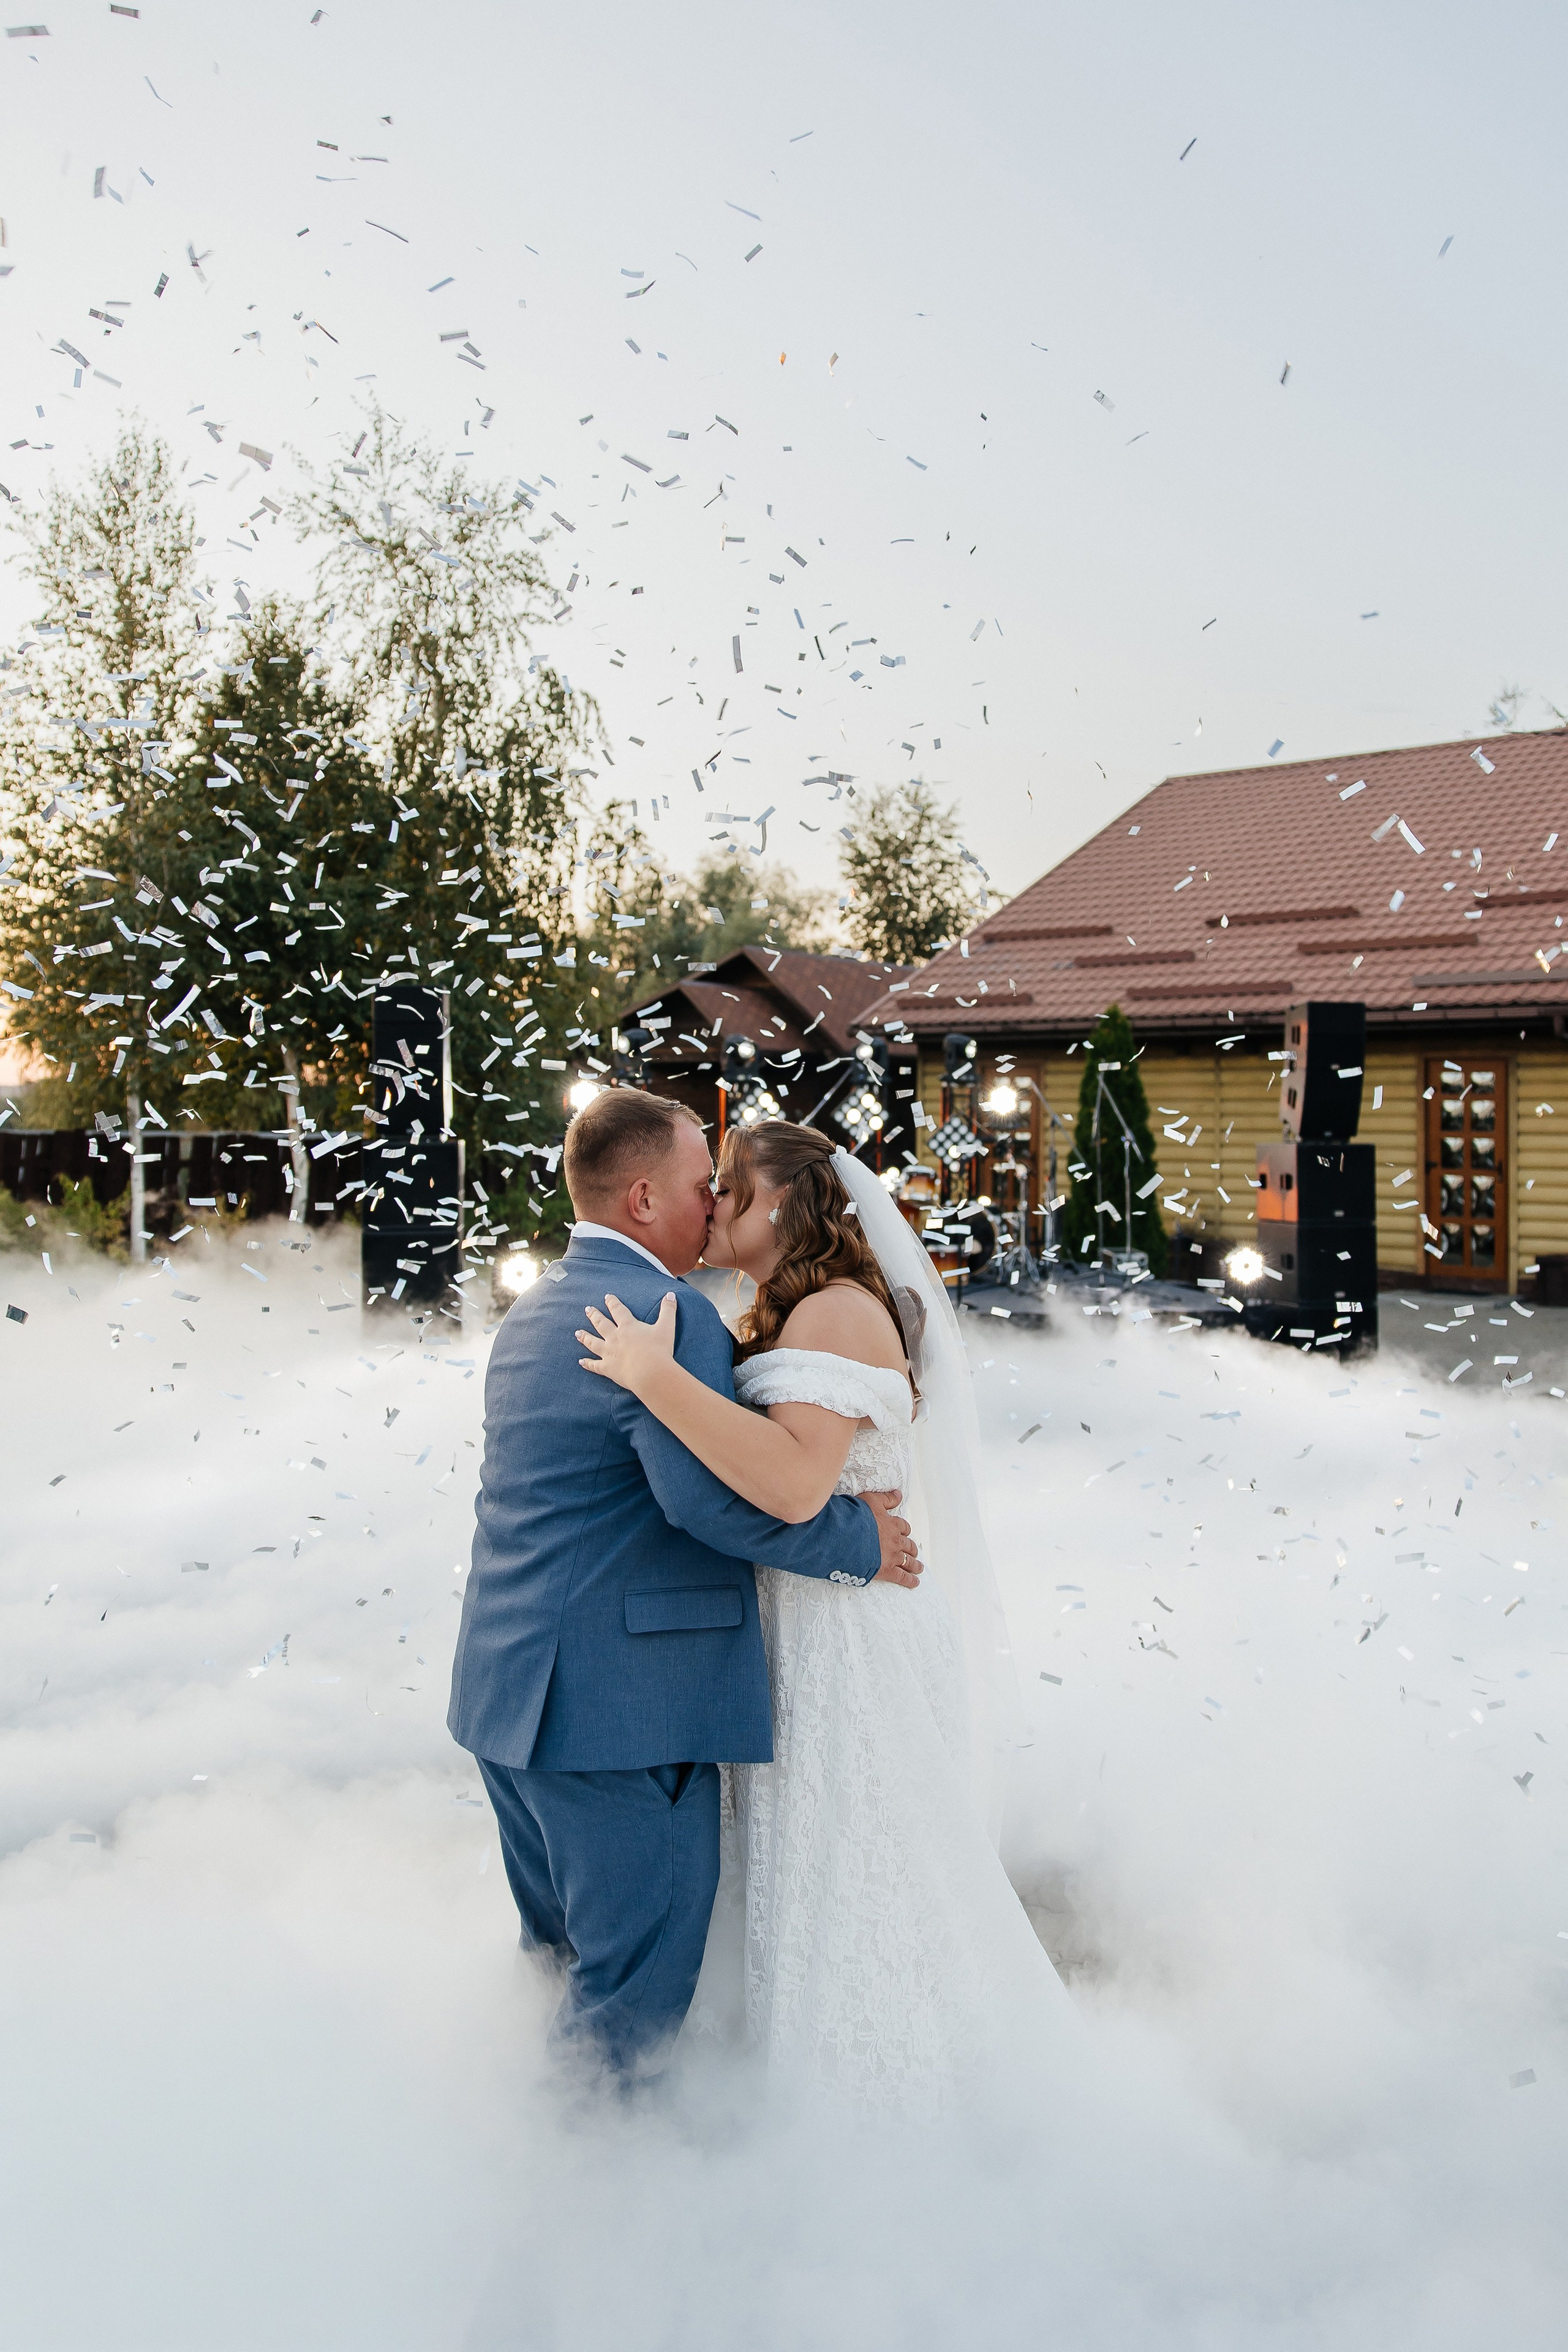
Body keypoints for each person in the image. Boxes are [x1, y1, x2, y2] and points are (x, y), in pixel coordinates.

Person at [577, 1120, 1080, 2113]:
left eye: (731, 1186)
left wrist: (653, 1378)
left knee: (860, 1869)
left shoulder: (840, 1312)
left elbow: (796, 1486)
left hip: (848, 1639)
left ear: (787, 1206)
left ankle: (886, 2104)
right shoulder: (786, 1310)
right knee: (804, 1872)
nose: (713, 1202)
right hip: (802, 1626)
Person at [447, 1090, 922, 2078]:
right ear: (642, 1199)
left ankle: (512, 2142)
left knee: (559, 1967)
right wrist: (861, 1541)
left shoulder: (534, 1310)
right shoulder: (664, 1319)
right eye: (705, 1183)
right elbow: (712, 1505)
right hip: (622, 1717)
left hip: (507, 1701)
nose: (712, 1201)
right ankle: (586, 2168)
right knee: (633, 2001)